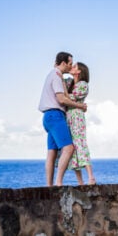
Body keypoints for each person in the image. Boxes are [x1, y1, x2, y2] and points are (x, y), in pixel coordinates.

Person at [38, 52, 87, 186]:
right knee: (69, 148)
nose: (71, 66)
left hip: (48, 117)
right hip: (55, 115)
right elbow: (61, 99)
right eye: (70, 63)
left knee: (52, 153)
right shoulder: (56, 76)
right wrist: (80, 105)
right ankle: (59, 182)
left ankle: (49, 186)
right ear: (64, 63)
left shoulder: (53, 74)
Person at [60, 62, 96, 185]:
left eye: (74, 67)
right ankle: (80, 181)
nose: (72, 68)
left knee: (80, 144)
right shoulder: (70, 83)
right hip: (69, 117)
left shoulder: (83, 85)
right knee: (72, 148)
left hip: (77, 116)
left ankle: (91, 177)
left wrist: (66, 95)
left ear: (79, 71)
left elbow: (70, 98)